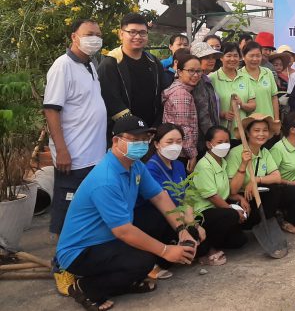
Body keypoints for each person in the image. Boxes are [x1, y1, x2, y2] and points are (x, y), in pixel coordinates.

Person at [56, 116, 201, 311]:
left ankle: (123, 280)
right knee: (145, 260)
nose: (141, 144)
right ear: (116, 141)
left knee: (158, 221)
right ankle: (86, 288)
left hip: (109, 238)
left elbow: (159, 196)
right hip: (82, 250)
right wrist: (166, 251)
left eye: (144, 139)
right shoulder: (106, 179)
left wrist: (182, 229)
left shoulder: (135, 165)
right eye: (135, 140)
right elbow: (123, 231)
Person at [43, 19, 107, 235]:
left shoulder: (90, 64)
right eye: (89, 34)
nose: (95, 39)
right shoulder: (62, 66)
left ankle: (83, 256)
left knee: (87, 211)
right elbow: (52, 109)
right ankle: (62, 263)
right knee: (68, 211)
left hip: (94, 154)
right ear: (74, 37)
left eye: (98, 35)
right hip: (74, 156)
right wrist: (61, 150)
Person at [132, 123, 190, 280]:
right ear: (157, 144)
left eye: (179, 141)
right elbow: (162, 199)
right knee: (157, 216)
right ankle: (151, 261)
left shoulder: (179, 165)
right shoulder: (150, 168)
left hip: (175, 215)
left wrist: (193, 225)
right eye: (169, 142)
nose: (175, 146)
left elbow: (184, 197)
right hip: (152, 217)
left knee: (198, 239)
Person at [97, 13, 166, 138]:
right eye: (132, 32)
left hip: (152, 131)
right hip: (124, 134)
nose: (138, 37)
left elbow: (163, 94)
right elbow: (112, 102)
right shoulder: (111, 64)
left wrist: (156, 126)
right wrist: (137, 128)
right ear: (121, 34)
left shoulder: (154, 63)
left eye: (142, 33)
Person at [190, 126, 249, 266]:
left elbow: (227, 191)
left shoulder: (223, 162)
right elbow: (213, 197)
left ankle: (216, 240)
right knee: (231, 215)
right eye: (220, 141)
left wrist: (240, 199)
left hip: (218, 209)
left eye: (227, 141)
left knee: (240, 241)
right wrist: (233, 210)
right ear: (209, 144)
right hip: (203, 213)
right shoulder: (204, 165)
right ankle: (208, 249)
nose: (224, 145)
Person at [226, 114, 285, 234]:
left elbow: (277, 177)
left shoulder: (265, 152)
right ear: (247, 133)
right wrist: (243, 164)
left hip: (256, 193)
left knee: (276, 189)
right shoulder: (235, 153)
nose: (261, 134)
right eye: (256, 130)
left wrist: (255, 180)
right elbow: (232, 190)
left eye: (265, 130)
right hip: (240, 198)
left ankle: (265, 224)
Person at [162, 54, 201, 172]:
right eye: (191, 71)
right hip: (181, 153)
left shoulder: (182, 89)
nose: (196, 75)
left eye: (199, 71)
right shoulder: (181, 94)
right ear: (179, 71)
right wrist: (192, 155)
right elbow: (183, 128)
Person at [209, 42, 256, 139]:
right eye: (228, 55)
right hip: (221, 134)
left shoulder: (245, 78)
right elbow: (207, 108)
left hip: (242, 133)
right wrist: (222, 114)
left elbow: (253, 105)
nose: (232, 59)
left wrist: (242, 104)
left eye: (236, 56)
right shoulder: (212, 78)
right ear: (221, 57)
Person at [190, 41, 222, 149]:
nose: (212, 60)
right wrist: (212, 138)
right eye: (207, 57)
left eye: (213, 57)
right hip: (203, 140)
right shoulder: (198, 81)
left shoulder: (205, 79)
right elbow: (203, 114)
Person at [239, 41, 280, 121]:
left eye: (258, 56)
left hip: (268, 121)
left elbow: (274, 98)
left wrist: (276, 119)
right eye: (251, 56)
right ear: (243, 57)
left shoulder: (268, 72)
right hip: (248, 124)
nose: (255, 59)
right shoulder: (239, 75)